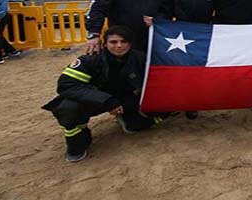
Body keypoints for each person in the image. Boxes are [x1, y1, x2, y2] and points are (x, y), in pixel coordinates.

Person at [42, 26, 173, 162]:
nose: (119, 46)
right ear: (105, 44)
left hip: (125, 100)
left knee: (154, 112)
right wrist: (106, 100)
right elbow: (66, 85)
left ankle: (128, 120)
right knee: (67, 109)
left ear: (130, 43)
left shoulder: (140, 58)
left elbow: (159, 82)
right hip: (95, 101)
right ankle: (78, 144)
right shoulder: (90, 60)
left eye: (124, 41)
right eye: (113, 42)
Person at [155, 0, 214, 120]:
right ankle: (178, 101)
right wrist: (158, 24)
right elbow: (164, 11)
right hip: (180, 36)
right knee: (181, 70)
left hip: (202, 36)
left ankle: (192, 104)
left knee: (198, 71)